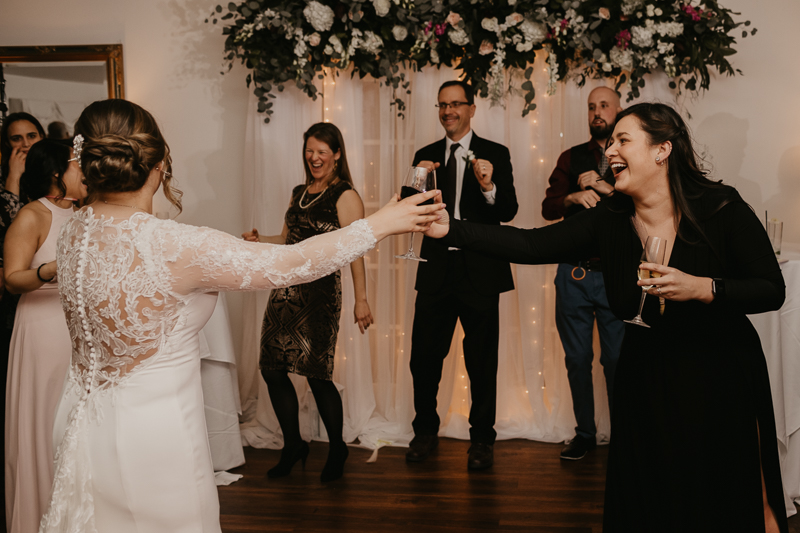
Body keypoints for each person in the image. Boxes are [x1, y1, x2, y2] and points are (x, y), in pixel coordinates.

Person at [38, 99, 442, 533]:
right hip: (154, 438)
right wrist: (383, 222)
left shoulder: (73, 230)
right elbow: (295, 261)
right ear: (157, 164)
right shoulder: (170, 244)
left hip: (80, 421)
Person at [423, 102, 787, 532]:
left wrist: (703, 287)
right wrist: (452, 229)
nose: (610, 150)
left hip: (719, 372)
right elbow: (531, 245)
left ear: (662, 150)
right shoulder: (609, 219)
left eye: (623, 140)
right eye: (610, 141)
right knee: (652, 495)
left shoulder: (720, 207)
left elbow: (771, 289)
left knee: (721, 493)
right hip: (646, 374)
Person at [242, 122, 374, 482]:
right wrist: (260, 241)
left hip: (320, 294)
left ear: (336, 155)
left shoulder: (345, 195)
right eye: (309, 150)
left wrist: (362, 299)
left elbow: (356, 252)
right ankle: (293, 445)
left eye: (321, 151)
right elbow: (288, 240)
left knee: (317, 375)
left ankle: (337, 448)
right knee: (272, 369)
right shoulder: (299, 191)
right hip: (286, 291)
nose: (314, 157)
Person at [405, 80, 518, 470]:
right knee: (423, 359)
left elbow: (509, 209)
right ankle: (424, 431)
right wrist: (417, 179)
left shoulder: (495, 153)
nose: (448, 111)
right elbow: (408, 209)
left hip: (481, 272)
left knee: (482, 362)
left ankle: (483, 440)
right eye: (442, 105)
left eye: (455, 104)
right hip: (436, 270)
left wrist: (488, 186)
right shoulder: (425, 154)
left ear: (471, 109)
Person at [4, 139, 87, 533]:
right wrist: (49, 270)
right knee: (44, 419)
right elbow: (11, 279)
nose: (85, 172)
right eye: (77, 165)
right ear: (58, 172)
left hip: (78, 331)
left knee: (75, 424)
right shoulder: (32, 216)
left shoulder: (87, 216)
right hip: (41, 330)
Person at [541, 86, 625, 460]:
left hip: (615, 273)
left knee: (617, 360)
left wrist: (607, 188)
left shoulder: (631, 154)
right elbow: (548, 207)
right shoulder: (571, 157)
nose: (597, 113)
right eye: (592, 107)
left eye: (604, 106)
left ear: (619, 109)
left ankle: (625, 435)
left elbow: (644, 203)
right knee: (577, 359)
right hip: (573, 274)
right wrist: (573, 197)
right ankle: (585, 434)